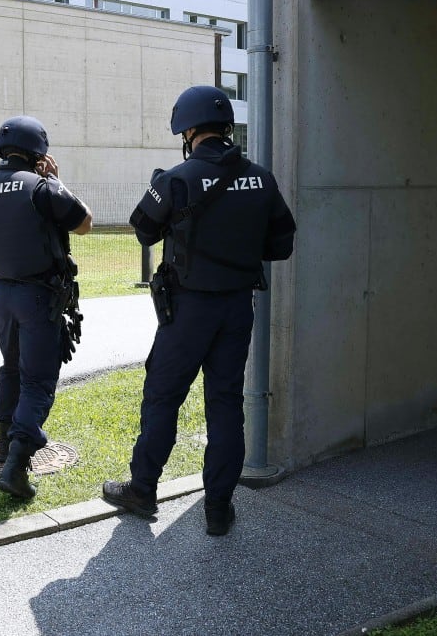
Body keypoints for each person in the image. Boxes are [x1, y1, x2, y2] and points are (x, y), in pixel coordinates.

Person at [102, 85, 296, 535]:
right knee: (226, 404)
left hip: (186, 312)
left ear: (187, 130)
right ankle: (218, 509)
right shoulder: (261, 178)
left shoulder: (175, 178)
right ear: (226, 127)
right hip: (236, 308)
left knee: (164, 397)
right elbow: (281, 245)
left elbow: (143, 231)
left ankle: (143, 489)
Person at [0, 115, 93, 500]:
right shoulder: (41, 187)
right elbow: (85, 223)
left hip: (2, 297)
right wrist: (57, 181)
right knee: (38, 382)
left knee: (11, 369)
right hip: (40, 298)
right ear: (39, 154)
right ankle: (16, 466)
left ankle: (3, 447)